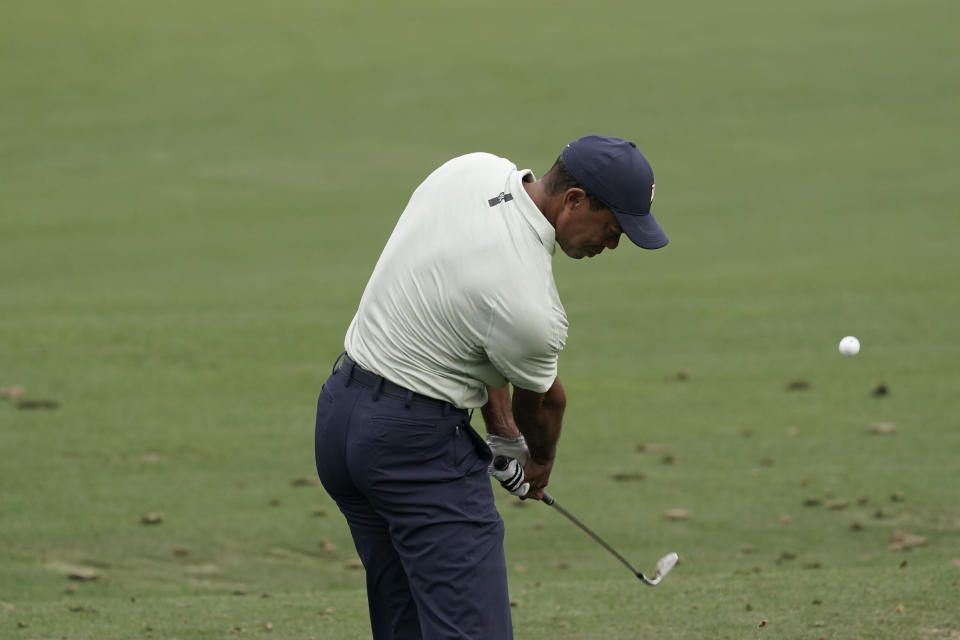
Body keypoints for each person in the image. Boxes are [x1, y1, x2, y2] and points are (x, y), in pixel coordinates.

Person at [314, 135, 668, 639]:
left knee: (406, 624)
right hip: (413, 451)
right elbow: (545, 402)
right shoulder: (532, 308)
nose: (609, 246)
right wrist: (537, 462)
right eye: (612, 230)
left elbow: (473, 323)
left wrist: (502, 435)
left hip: (340, 420)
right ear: (574, 201)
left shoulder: (470, 169)